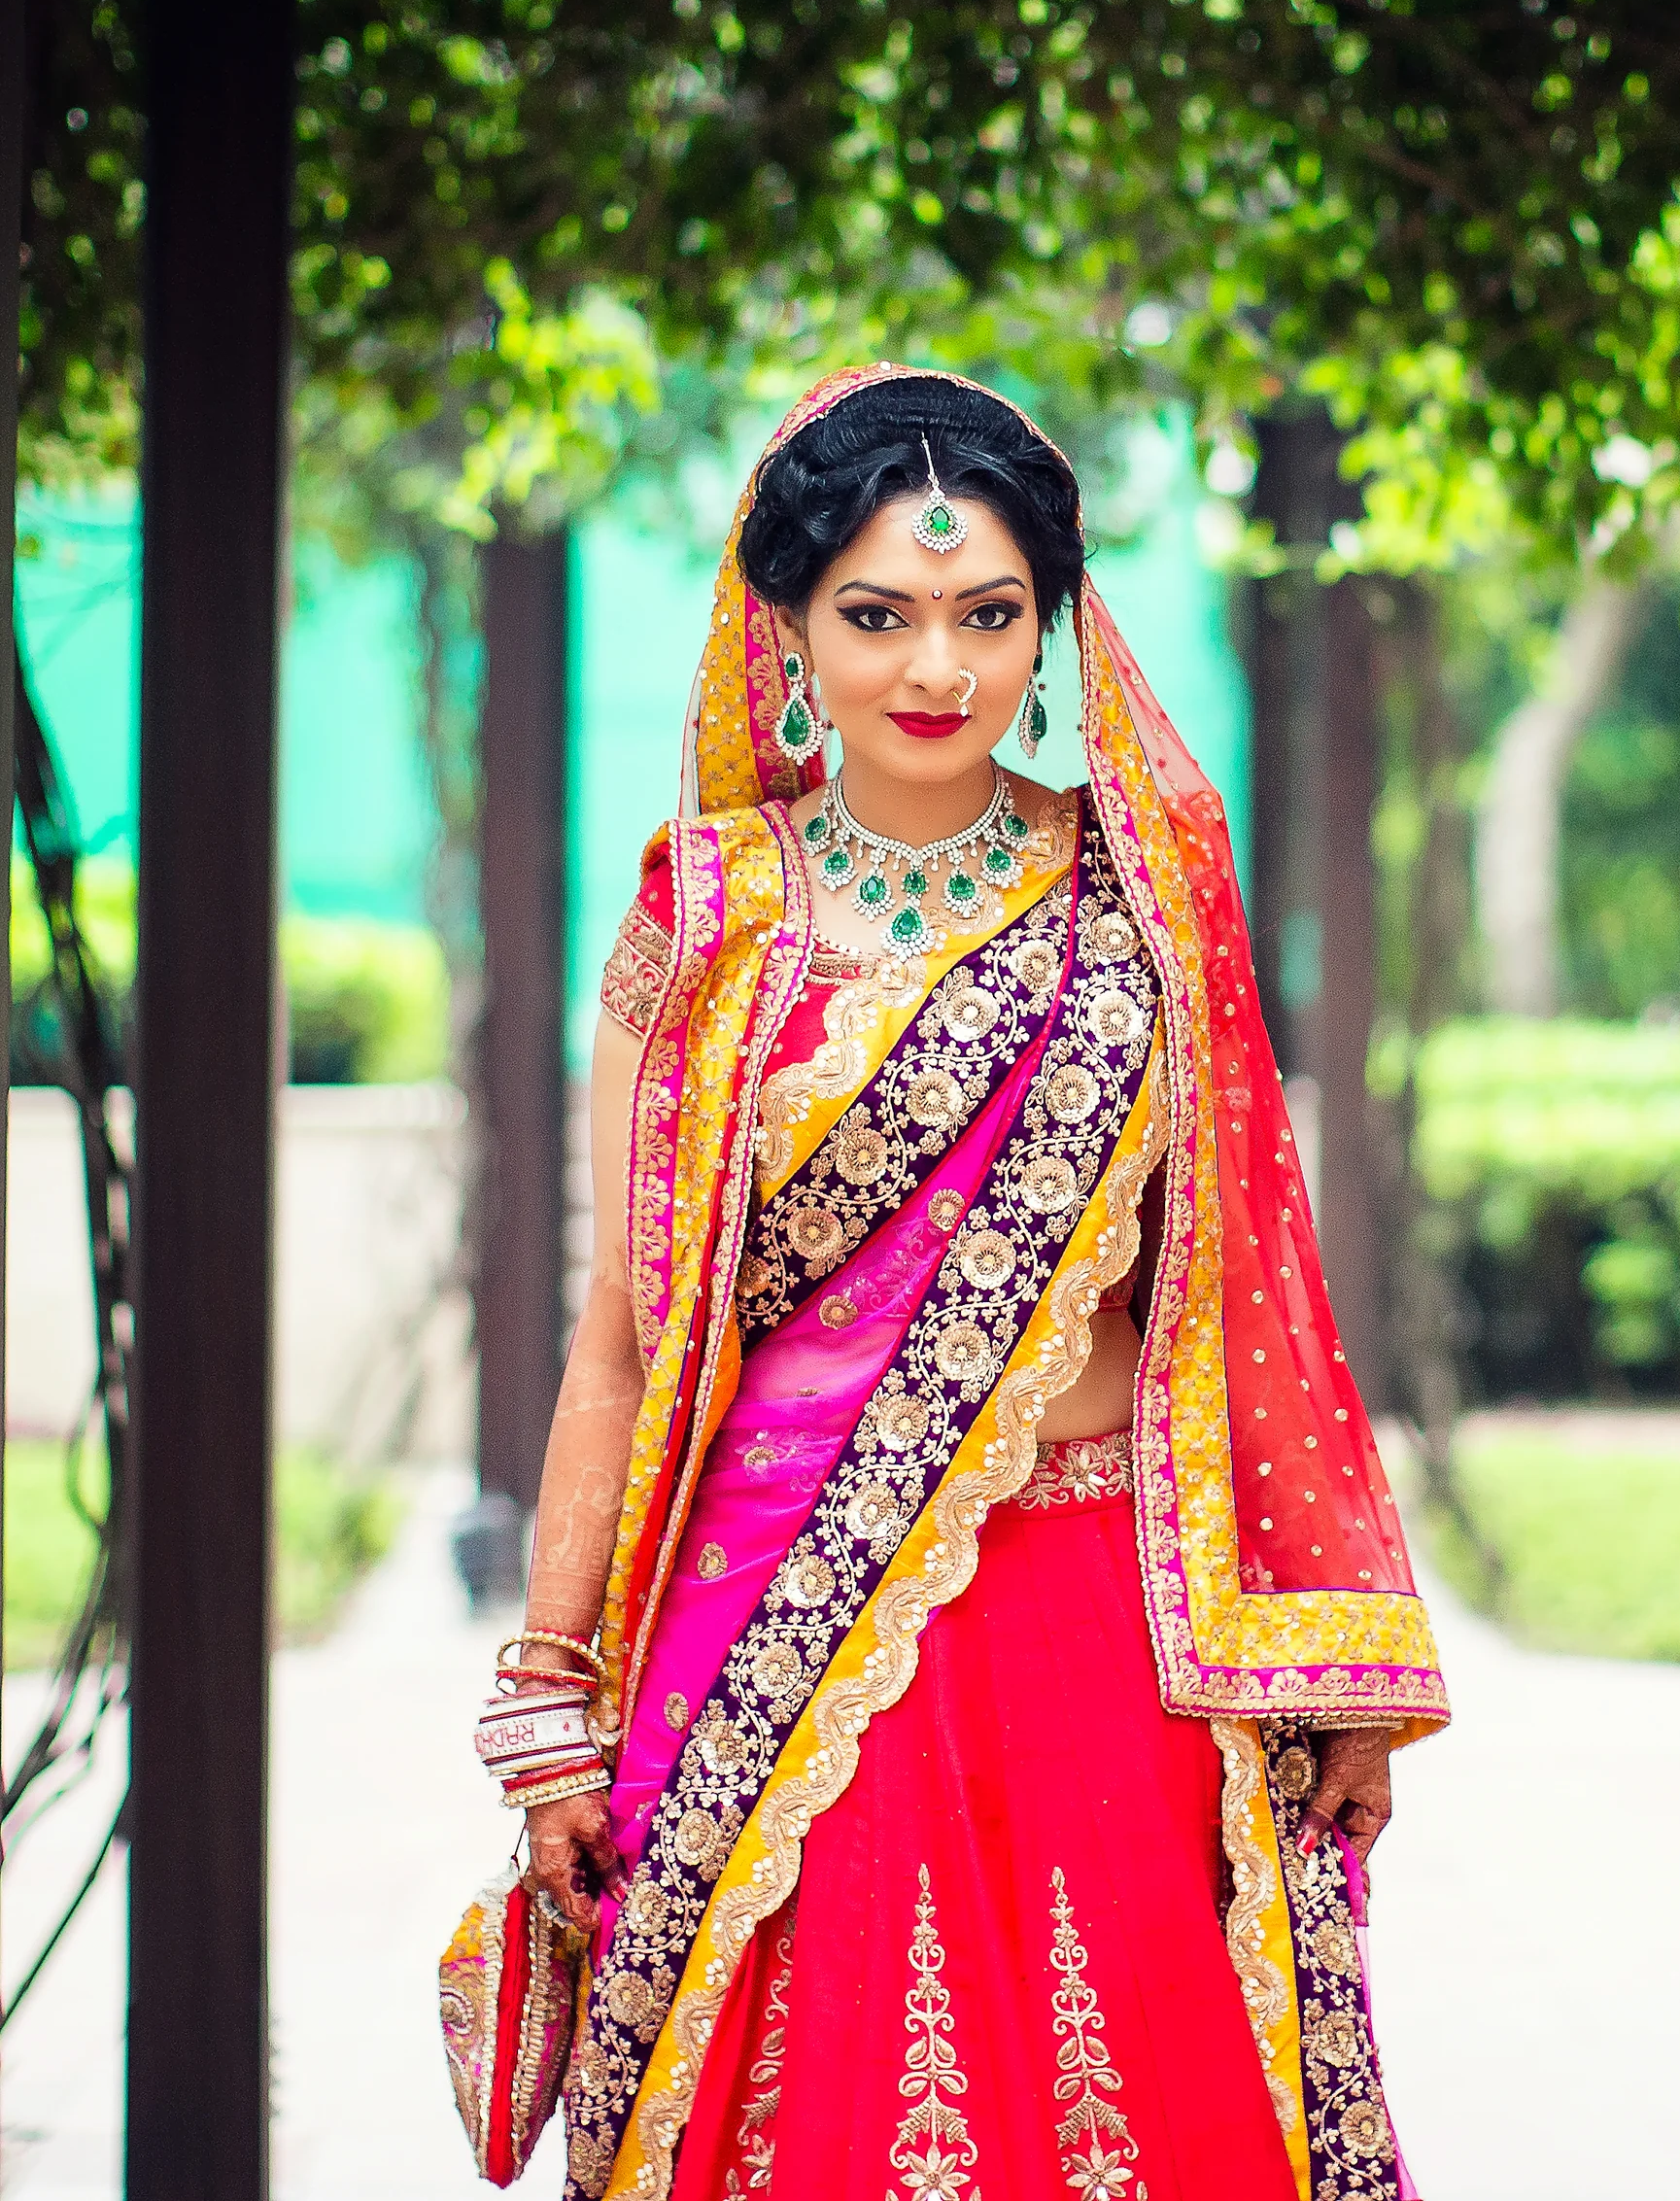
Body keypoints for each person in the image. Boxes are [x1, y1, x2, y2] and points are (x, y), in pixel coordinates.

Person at [472, 366, 1449, 2201]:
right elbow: (620, 1337)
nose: (937, 668)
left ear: (1051, 626)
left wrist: (1332, 1656)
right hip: (776, 1640)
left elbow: (1253, 1293)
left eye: (989, 615)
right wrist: (554, 1696)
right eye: (879, 615)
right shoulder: (705, 914)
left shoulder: (1142, 897)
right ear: (787, 628)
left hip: (1109, 1621)